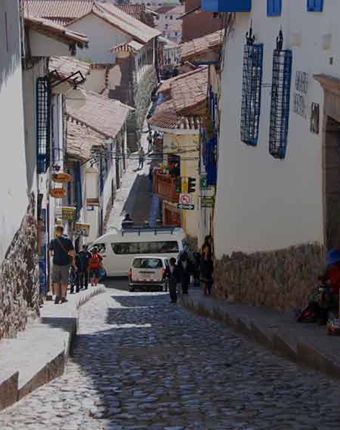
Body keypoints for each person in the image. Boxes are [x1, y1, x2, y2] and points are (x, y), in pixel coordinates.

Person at [49, 225, 75, 304]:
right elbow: (72, 253)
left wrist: (55, 255)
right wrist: (72, 261)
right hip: (65, 264)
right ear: (62, 231)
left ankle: (57, 296)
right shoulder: (68, 241)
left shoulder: (53, 241)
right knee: (64, 281)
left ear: (56, 232)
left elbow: (50, 253)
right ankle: (63, 297)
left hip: (56, 263)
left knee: (56, 281)